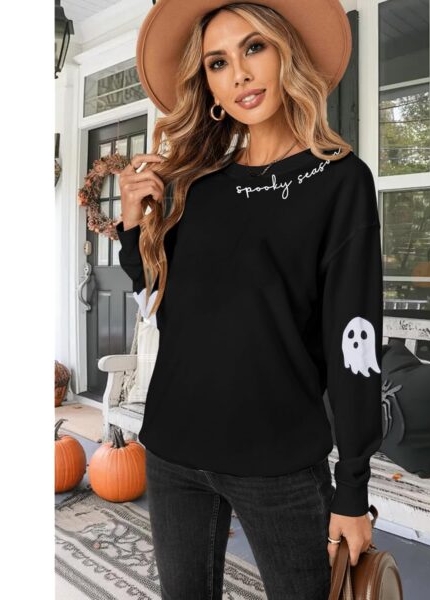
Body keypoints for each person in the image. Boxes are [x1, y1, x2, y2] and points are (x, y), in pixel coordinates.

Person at [116, 1, 383, 598]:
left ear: (287, 54)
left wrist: (353, 487)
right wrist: (134, 225)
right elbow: (162, 301)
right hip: (173, 449)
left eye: (254, 47)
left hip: (279, 462)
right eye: (217, 62)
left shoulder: (340, 180)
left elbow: (355, 339)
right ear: (208, 87)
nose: (238, 73)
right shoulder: (198, 185)